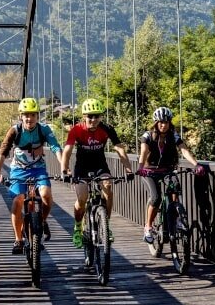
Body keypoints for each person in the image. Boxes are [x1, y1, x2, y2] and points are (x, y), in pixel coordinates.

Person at [59, 98, 134, 248]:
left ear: (101, 117)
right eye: (90, 116)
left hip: (100, 165)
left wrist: (128, 169)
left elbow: (119, 148)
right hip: (82, 167)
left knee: (108, 187)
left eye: (96, 116)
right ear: (84, 116)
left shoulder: (107, 129)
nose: (93, 120)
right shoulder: (77, 130)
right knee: (82, 198)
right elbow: (67, 150)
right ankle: (78, 228)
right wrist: (64, 170)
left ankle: (106, 226)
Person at [0, 97, 62, 254]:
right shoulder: (15, 130)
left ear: (37, 116)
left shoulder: (44, 129)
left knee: (46, 195)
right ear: (21, 116)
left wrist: (64, 167)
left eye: (33, 115)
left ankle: (41, 222)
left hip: (38, 169)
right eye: (26, 115)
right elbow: (3, 152)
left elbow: (56, 147)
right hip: (18, 170)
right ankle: (18, 239)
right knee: (18, 200)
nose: (29, 118)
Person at [138, 106, 205, 243]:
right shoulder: (148, 135)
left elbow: (184, 150)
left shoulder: (173, 135)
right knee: (156, 198)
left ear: (169, 123)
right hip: (149, 171)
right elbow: (143, 151)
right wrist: (140, 167)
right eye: (161, 122)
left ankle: (177, 217)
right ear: (156, 123)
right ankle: (148, 227)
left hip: (167, 170)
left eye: (166, 122)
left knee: (175, 187)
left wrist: (196, 164)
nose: (163, 125)